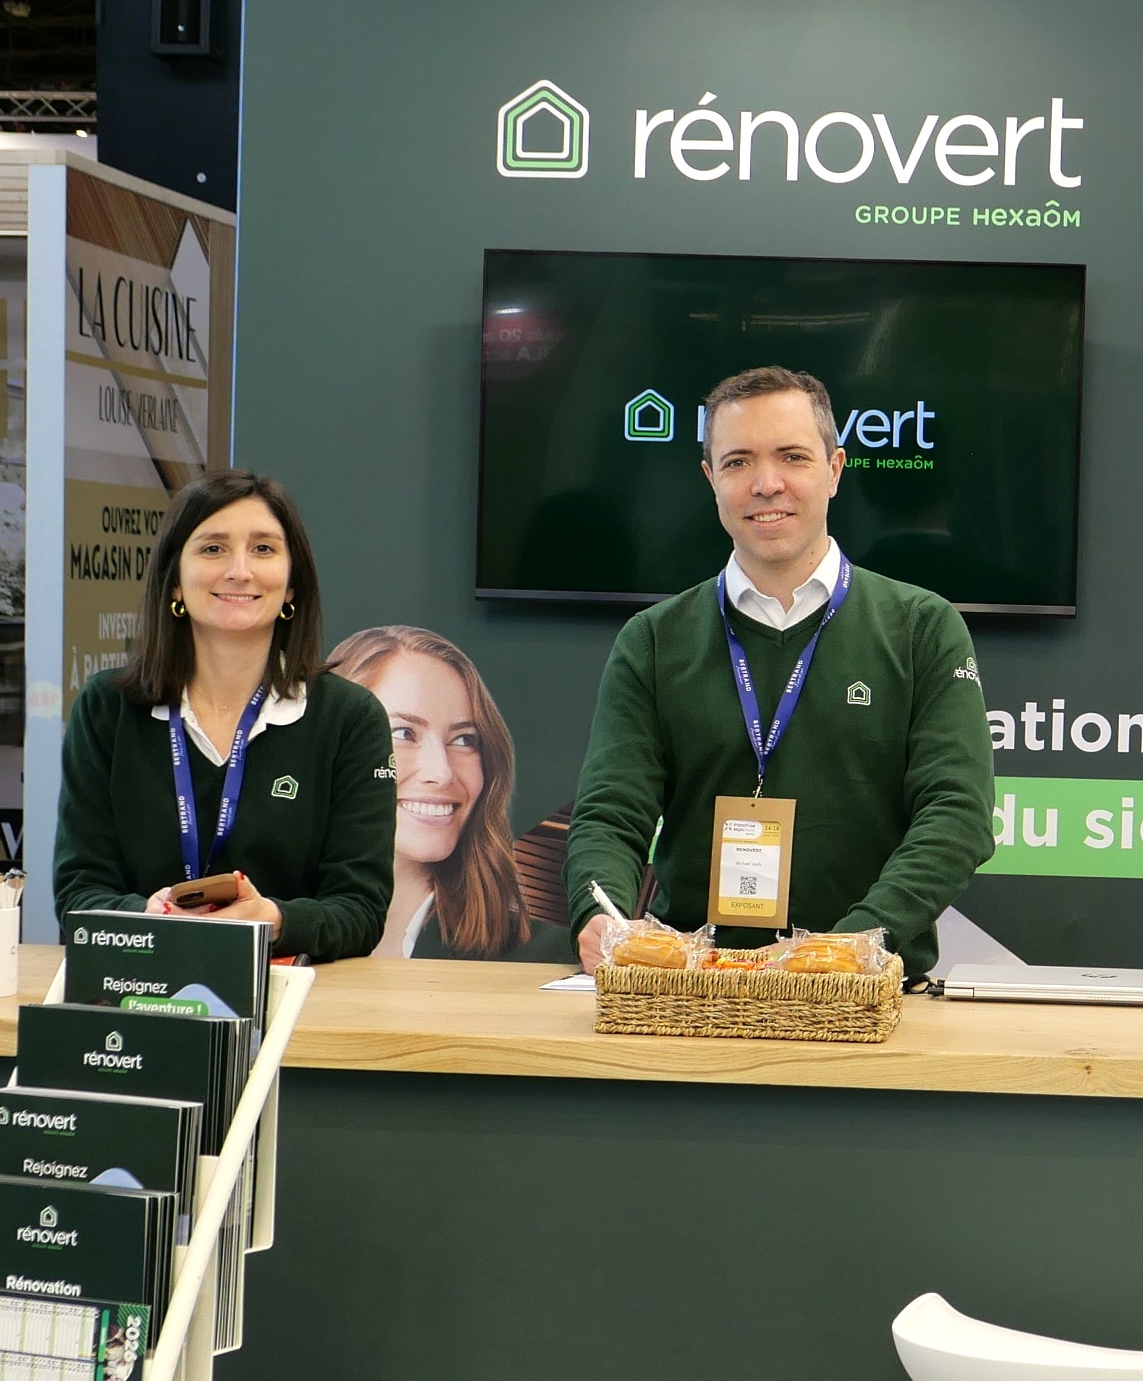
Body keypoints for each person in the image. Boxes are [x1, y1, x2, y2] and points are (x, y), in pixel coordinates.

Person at [566, 364, 995, 979]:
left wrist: (849, 948)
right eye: (738, 462)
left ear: (835, 470)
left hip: (866, 994)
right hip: (688, 992)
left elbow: (957, 815)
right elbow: (611, 812)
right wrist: (600, 912)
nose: (767, 484)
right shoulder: (653, 640)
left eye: (792, 457)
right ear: (711, 479)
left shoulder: (922, 627)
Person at [54, 470, 395, 963]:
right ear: (174, 581)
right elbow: (79, 894)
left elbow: (360, 909)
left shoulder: (349, 718)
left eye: (263, 549)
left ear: (292, 585)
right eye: (213, 548)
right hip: (141, 982)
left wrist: (272, 920)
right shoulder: (107, 708)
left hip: (293, 993)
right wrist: (151, 916)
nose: (240, 571)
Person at [328, 624, 568, 962]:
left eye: (464, 740)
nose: (441, 773)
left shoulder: (546, 955)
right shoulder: (266, 922)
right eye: (403, 733)